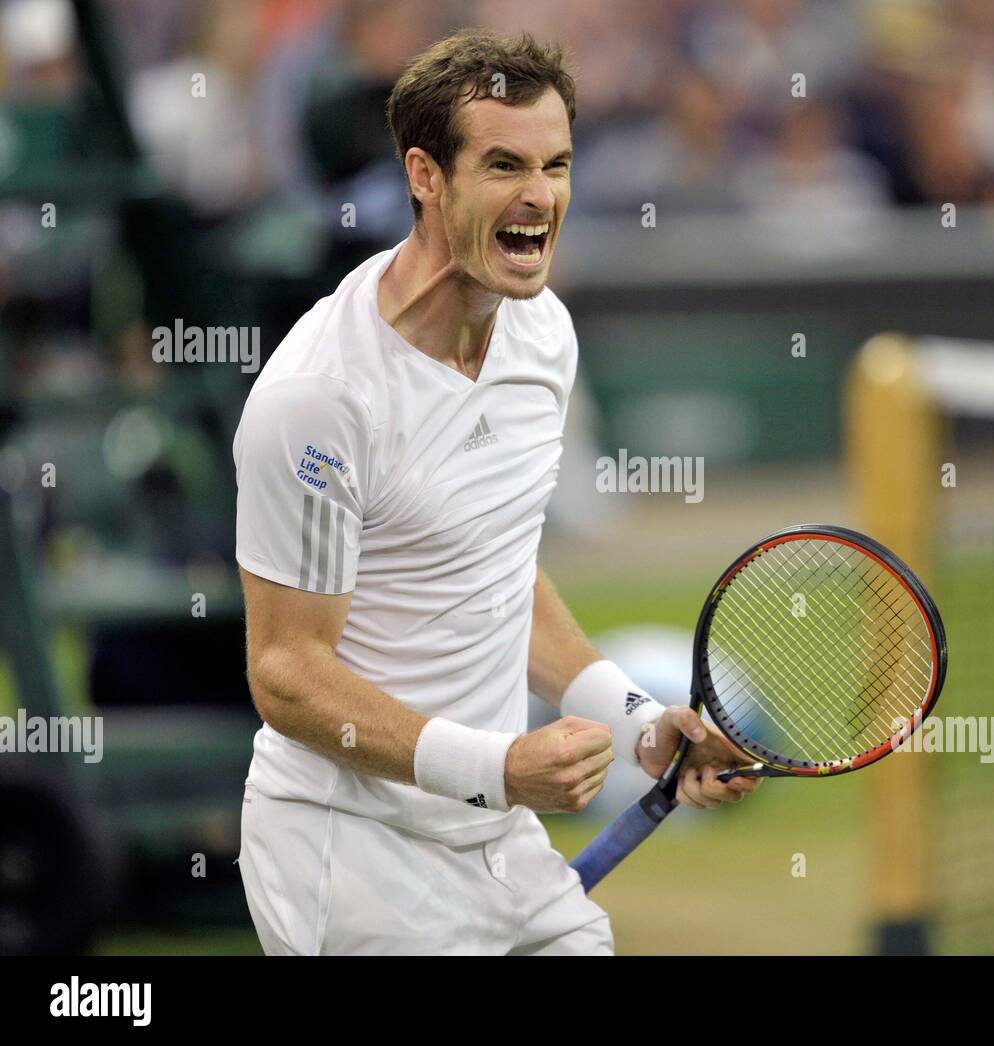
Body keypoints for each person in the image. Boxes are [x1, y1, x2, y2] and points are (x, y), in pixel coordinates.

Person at [232, 28, 757, 956]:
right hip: (349, 858)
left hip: (497, 845)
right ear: (425, 177)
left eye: (556, 164)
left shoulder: (543, 335)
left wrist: (634, 723)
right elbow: (285, 673)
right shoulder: (318, 399)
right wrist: (498, 767)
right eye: (505, 165)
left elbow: (496, 571)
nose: (540, 197)